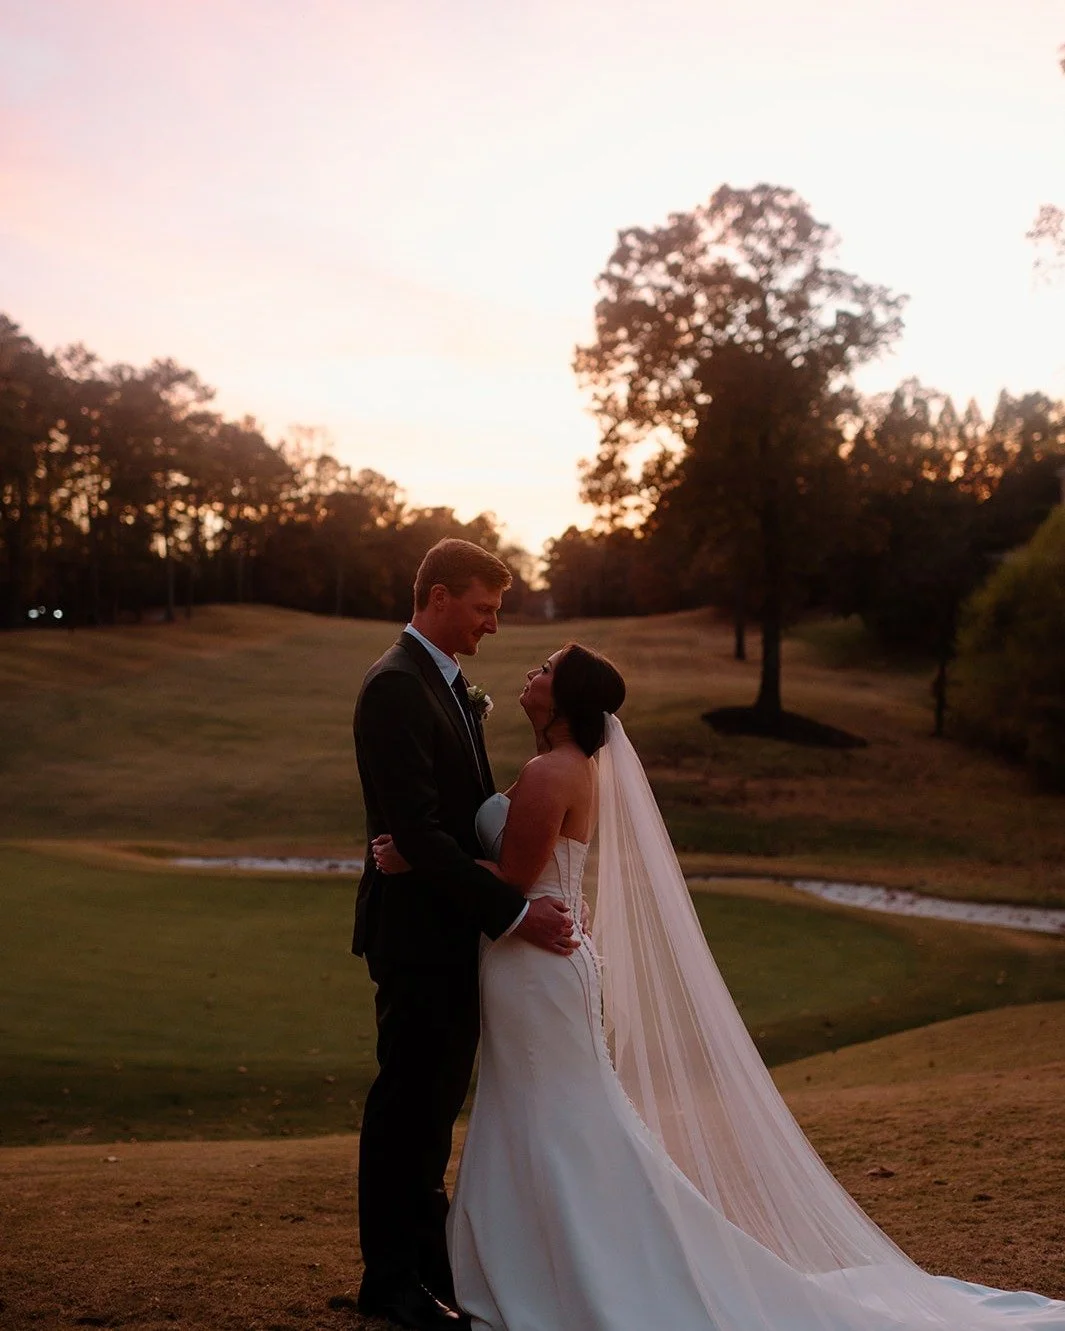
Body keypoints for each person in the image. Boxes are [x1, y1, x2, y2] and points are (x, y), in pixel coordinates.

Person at [374, 642, 1065, 1331]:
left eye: (546, 668)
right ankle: (549, 1258)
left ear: (563, 700)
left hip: (535, 967)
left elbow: (517, 882)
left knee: (554, 1116)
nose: (532, 672)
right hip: (537, 961)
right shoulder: (566, 767)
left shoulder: (551, 771)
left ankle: (572, 1266)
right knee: (552, 1113)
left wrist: (420, 856)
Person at [351, 539, 578, 1331]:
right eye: (482, 607)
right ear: (438, 596)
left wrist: (425, 849)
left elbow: (438, 823)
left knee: (433, 1105)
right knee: (406, 1108)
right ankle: (389, 1280)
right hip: (414, 937)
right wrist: (512, 913)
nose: (491, 624)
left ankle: (429, 1261)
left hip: (445, 926)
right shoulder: (394, 686)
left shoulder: (444, 684)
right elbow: (412, 818)